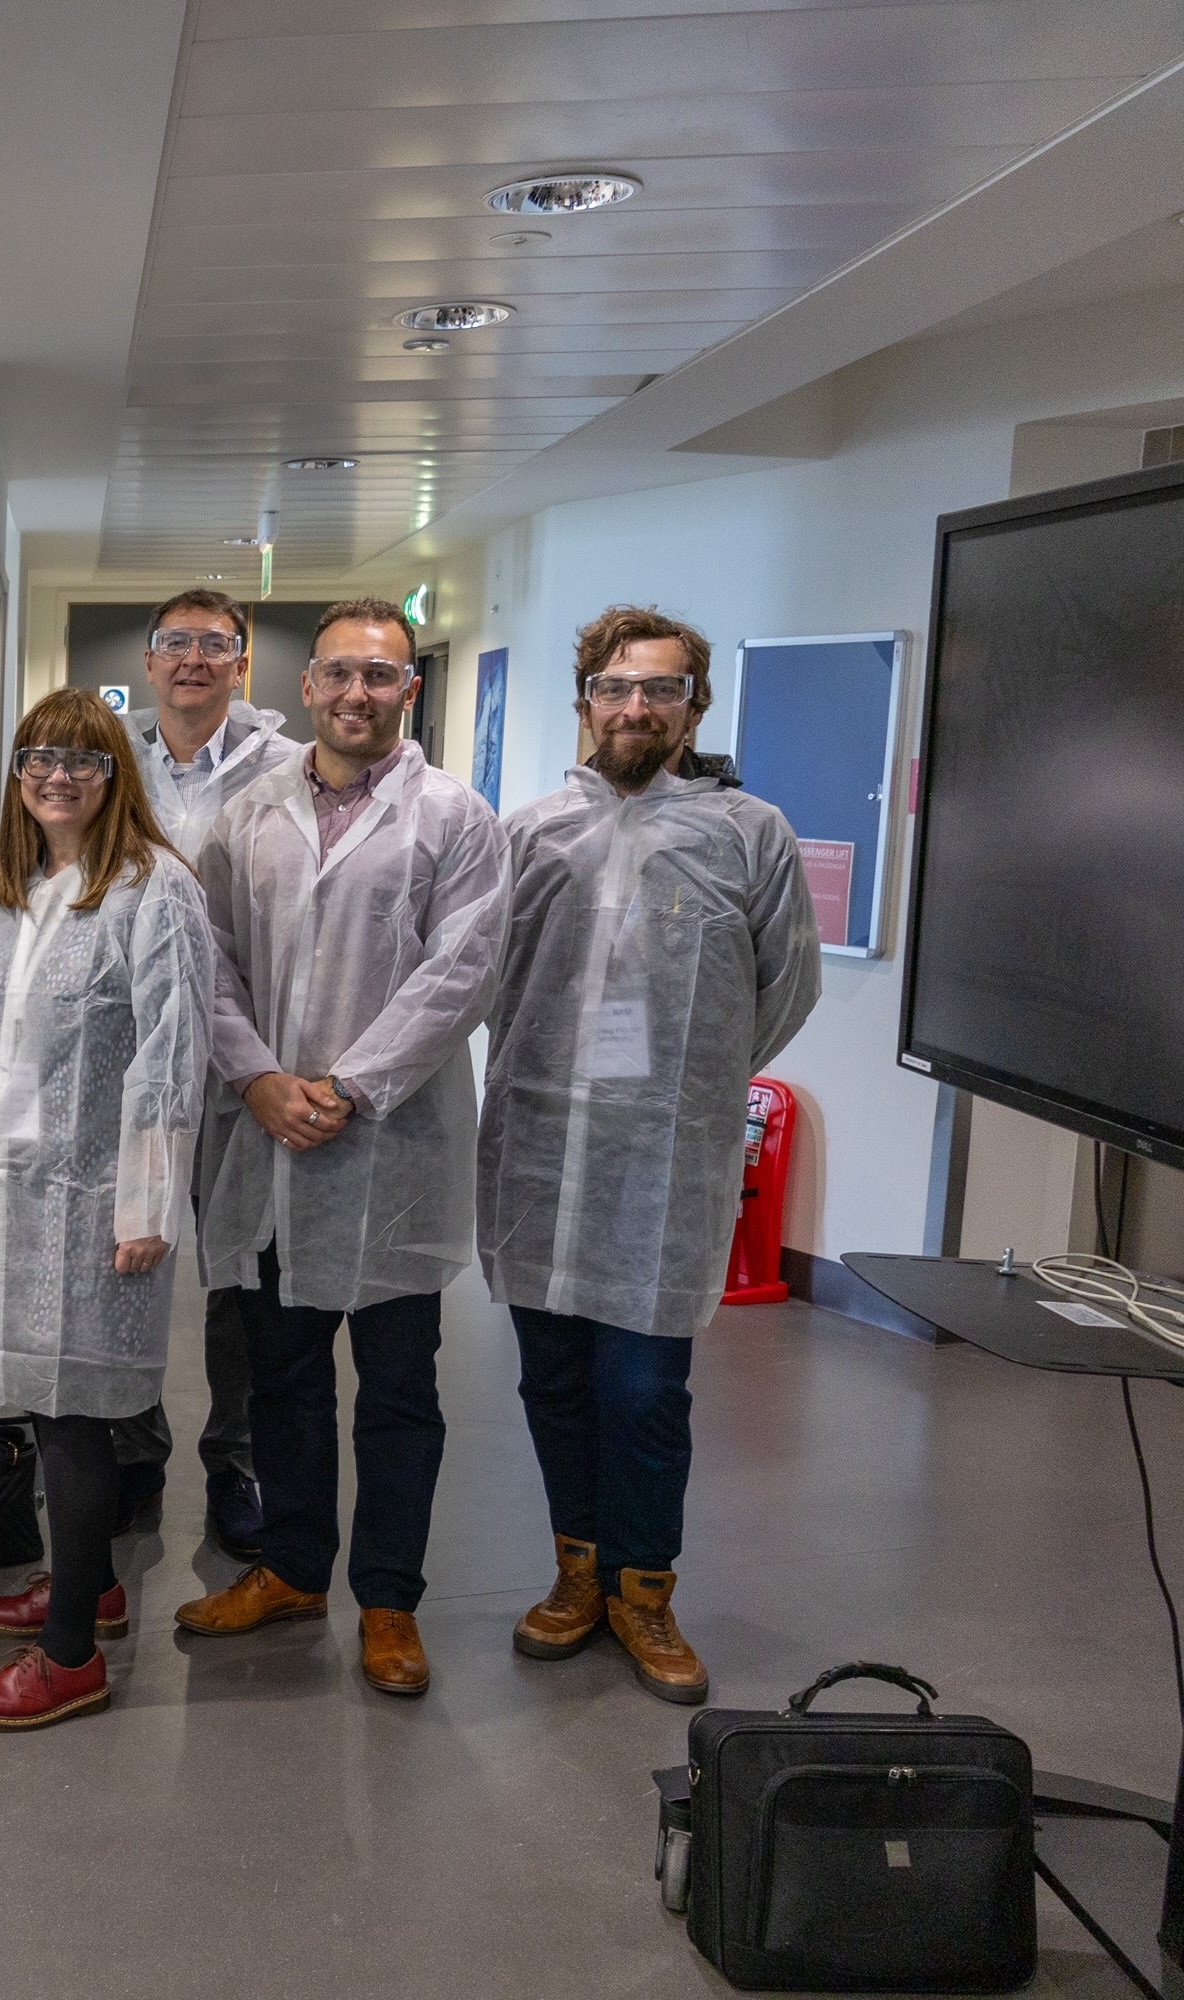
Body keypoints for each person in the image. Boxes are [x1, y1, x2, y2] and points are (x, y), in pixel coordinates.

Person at [482, 606, 821, 1705]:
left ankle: (645, 1590)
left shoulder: (749, 833)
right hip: (540, 1153)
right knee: (554, 1382)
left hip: (662, 1167)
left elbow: (787, 984)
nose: (637, 708)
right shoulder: (530, 831)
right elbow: (486, 978)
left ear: (693, 707)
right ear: (586, 700)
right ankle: (576, 1569)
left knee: (643, 1390)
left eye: (661, 690)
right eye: (617, 688)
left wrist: (696, 1085)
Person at [175, 596, 509, 1700]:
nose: (359, 693)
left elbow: (461, 973)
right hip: (271, 1137)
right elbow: (207, 960)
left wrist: (349, 1086)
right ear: (307, 687)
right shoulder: (246, 812)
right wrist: (260, 1078)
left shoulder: (456, 817)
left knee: (400, 1391)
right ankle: (293, 1568)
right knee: (283, 1382)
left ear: (409, 691)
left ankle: (391, 1599)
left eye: (383, 675)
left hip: (392, 1152)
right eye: (340, 675)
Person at [0, 688, 212, 1731]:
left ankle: (70, 1656)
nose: (57, 774)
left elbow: (172, 1054)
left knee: (78, 1416)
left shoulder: (156, 891)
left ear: (117, 775)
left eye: (83, 757)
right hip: (15, 1196)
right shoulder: (15, 893)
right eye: (37, 757)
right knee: (45, 1399)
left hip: (100, 1201)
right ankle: (91, 1583)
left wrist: (145, 1202)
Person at [119, 588, 300, 1558]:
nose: (194, 658)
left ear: (242, 664)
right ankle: (131, 1449)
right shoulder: (113, 763)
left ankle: (234, 1461)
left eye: (215, 644)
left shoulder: (288, 768)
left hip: (242, 1062)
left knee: (240, 1277)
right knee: (132, 1251)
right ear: (150, 662)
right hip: (133, 1059)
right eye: (176, 642)